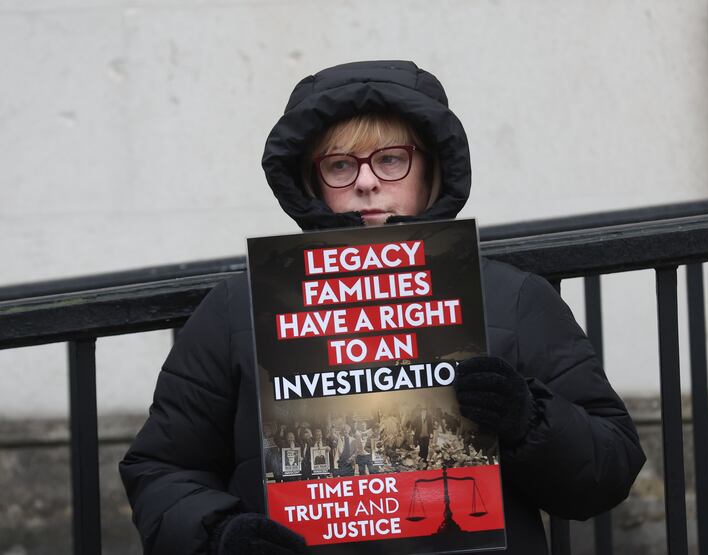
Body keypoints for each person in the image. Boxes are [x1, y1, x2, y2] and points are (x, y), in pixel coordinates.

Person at [119, 60, 646, 555]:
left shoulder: (514, 298)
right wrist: (219, 534)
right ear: (312, 181)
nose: (367, 182)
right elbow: (164, 469)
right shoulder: (238, 308)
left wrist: (531, 420)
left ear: (430, 170)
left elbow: (610, 468)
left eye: (391, 159)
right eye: (341, 165)